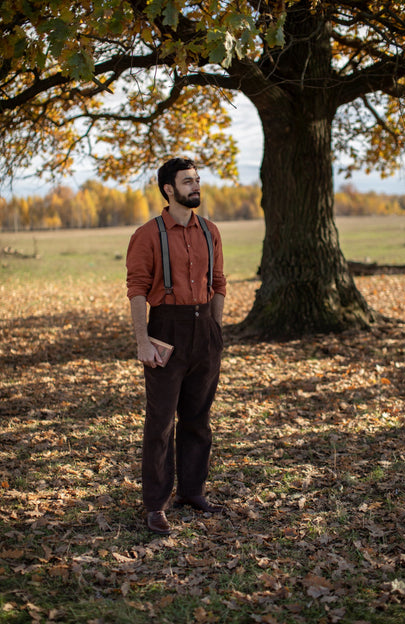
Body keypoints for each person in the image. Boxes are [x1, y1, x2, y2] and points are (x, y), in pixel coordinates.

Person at [126, 157, 226, 535]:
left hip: (205, 332)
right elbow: (136, 290)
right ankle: (155, 504)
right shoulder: (148, 234)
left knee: (198, 418)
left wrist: (216, 330)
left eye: (197, 180)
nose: (196, 186)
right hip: (165, 328)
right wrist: (142, 342)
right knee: (161, 423)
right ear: (169, 189)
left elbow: (218, 282)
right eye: (188, 181)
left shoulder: (210, 231)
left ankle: (192, 491)